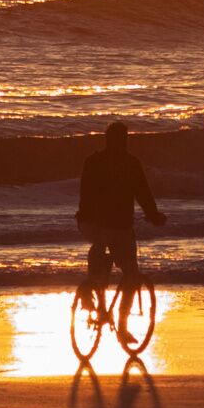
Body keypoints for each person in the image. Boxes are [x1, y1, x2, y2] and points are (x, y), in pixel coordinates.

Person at [76, 117, 163, 293]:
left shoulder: (93, 161)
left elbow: (85, 193)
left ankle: (91, 291)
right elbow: (143, 194)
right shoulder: (131, 163)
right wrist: (154, 215)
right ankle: (123, 311)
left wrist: (86, 215)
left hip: (92, 223)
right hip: (115, 224)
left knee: (98, 251)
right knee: (130, 270)